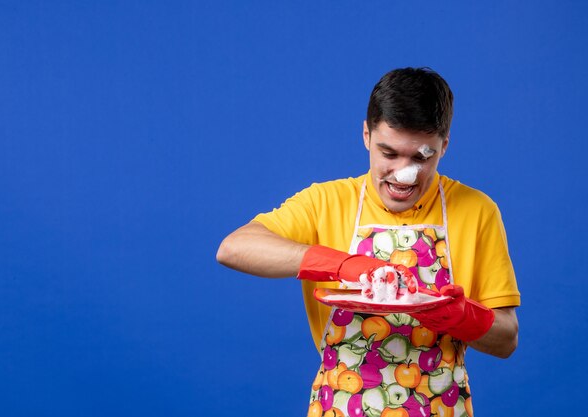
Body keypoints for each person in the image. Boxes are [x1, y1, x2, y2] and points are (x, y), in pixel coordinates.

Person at [217, 67, 520, 417]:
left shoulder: (477, 211)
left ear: (444, 146)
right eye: (388, 153)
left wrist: (458, 316)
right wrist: (341, 264)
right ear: (366, 135)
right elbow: (234, 248)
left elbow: (507, 339)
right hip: (342, 407)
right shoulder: (325, 202)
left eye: (422, 157)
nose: (404, 174)